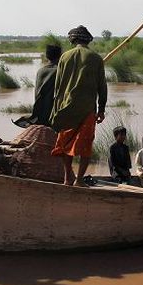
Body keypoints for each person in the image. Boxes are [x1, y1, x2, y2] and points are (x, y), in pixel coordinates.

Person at [50, 25, 108, 186]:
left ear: (73, 40)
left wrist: (57, 108)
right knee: (85, 145)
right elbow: (102, 86)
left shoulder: (64, 57)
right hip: (87, 108)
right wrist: (101, 109)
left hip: (66, 107)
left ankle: (68, 176)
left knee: (65, 144)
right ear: (87, 40)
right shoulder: (96, 58)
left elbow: (58, 85)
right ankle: (79, 179)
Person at [14, 44, 62, 127]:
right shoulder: (60, 71)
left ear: (47, 56)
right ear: (60, 56)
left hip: (39, 111)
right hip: (53, 113)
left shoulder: (41, 71)